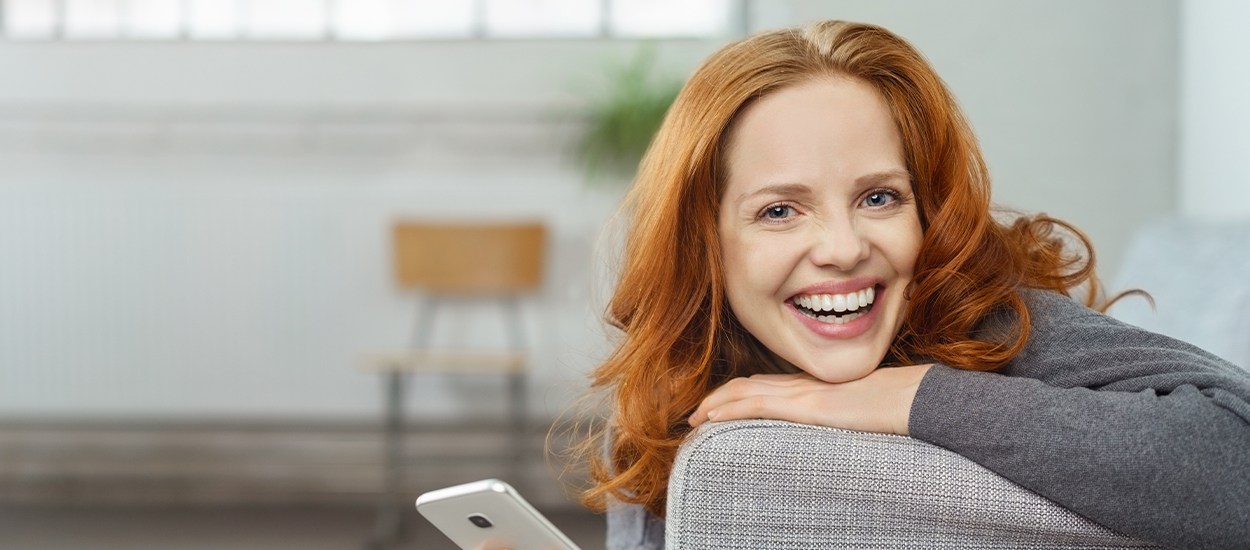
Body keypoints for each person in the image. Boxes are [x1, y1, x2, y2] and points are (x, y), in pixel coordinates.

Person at [574, 19, 1250, 550]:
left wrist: (911, 398)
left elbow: (1235, 453)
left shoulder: (999, 326)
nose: (843, 249)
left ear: (925, 209)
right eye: (780, 210)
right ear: (706, 244)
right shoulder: (675, 389)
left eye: (879, 198)